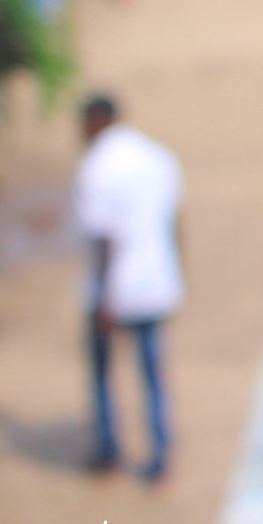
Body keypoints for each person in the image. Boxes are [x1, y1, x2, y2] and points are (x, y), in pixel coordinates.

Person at [73, 94, 184, 483]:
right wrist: (178, 276)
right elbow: (175, 223)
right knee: (153, 373)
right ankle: (160, 454)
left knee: (104, 373)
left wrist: (104, 299)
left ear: (96, 121)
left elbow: (104, 240)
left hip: (115, 289)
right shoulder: (159, 158)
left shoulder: (95, 168)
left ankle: (109, 449)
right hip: (157, 282)